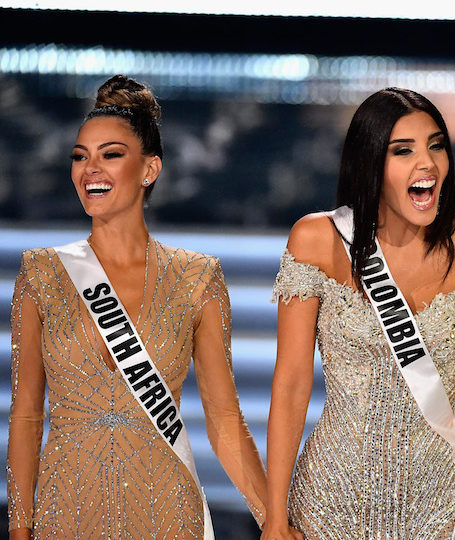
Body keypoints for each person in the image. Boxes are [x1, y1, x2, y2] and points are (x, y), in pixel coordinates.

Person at [7, 75, 267, 539]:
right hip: (65, 513)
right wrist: (20, 530)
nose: (91, 170)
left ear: (150, 169)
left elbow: (225, 420)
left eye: (110, 155)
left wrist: (274, 521)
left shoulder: (197, 277)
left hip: (165, 513)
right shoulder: (41, 273)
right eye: (80, 157)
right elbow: (27, 416)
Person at [264, 88, 455, 540]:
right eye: (404, 150)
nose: (428, 164)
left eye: (437, 145)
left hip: (438, 502)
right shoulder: (316, 240)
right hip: (329, 499)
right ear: (370, 162)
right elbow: (292, 383)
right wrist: (274, 516)